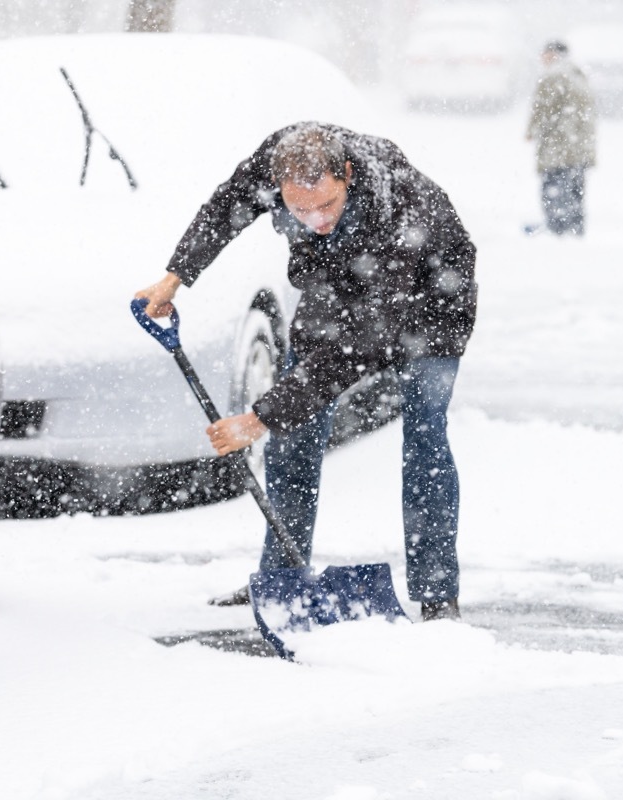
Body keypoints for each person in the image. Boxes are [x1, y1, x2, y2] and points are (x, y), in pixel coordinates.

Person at [135, 122, 477, 621]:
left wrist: (258, 418)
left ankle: (437, 593)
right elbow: (225, 209)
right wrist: (175, 277)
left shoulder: (398, 212)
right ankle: (282, 577)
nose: (315, 220)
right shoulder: (276, 160)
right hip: (338, 283)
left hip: (431, 301)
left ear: (348, 176)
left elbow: (350, 353)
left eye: (326, 206)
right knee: (293, 432)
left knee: (424, 435)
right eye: (299, 210)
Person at [526, 40, 596, 236]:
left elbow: (542, 109)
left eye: (545, 54)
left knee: (554, 192)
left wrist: (531, 130)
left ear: (553, 54)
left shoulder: (553, 76)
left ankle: (557, 232)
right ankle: (574, 231)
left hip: (558, 148)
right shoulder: (578, 74)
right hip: (579, 148)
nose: (542, 59)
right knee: (575, 194)